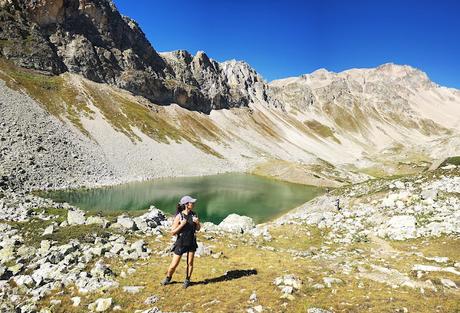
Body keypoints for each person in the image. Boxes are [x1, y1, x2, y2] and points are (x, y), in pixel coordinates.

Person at [161, 195, 201, 288]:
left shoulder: (194, 214)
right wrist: (182, 225)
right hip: (181, 242)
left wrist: (197, 222)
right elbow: (173, 232)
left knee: (190, 263)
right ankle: (168, 278)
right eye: (191, 202)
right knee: (173, 265)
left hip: (191, 241)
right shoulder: (179, 216)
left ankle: (187, 280)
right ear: (186, 204)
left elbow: (198, 229)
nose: (193, 204)